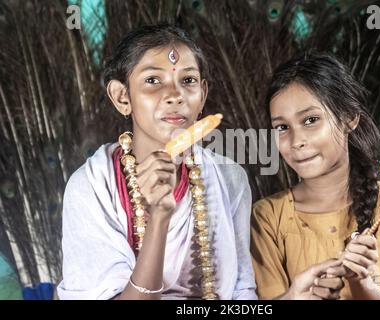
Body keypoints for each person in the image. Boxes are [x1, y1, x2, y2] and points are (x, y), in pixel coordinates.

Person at [57, 24, 257, 300]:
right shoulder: (91, 187)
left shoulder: (229, 178)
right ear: (122, 97)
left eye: (188, 81)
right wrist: (160, 217)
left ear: (203, 95)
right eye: (153, 80)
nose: (175, 95)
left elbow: (241, 294)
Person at [251, 53, 380, 300]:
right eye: (282, 127)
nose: (297, 141)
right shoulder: (266, 216)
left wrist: (363, 282)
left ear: (349, 118)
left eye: (311, 120)